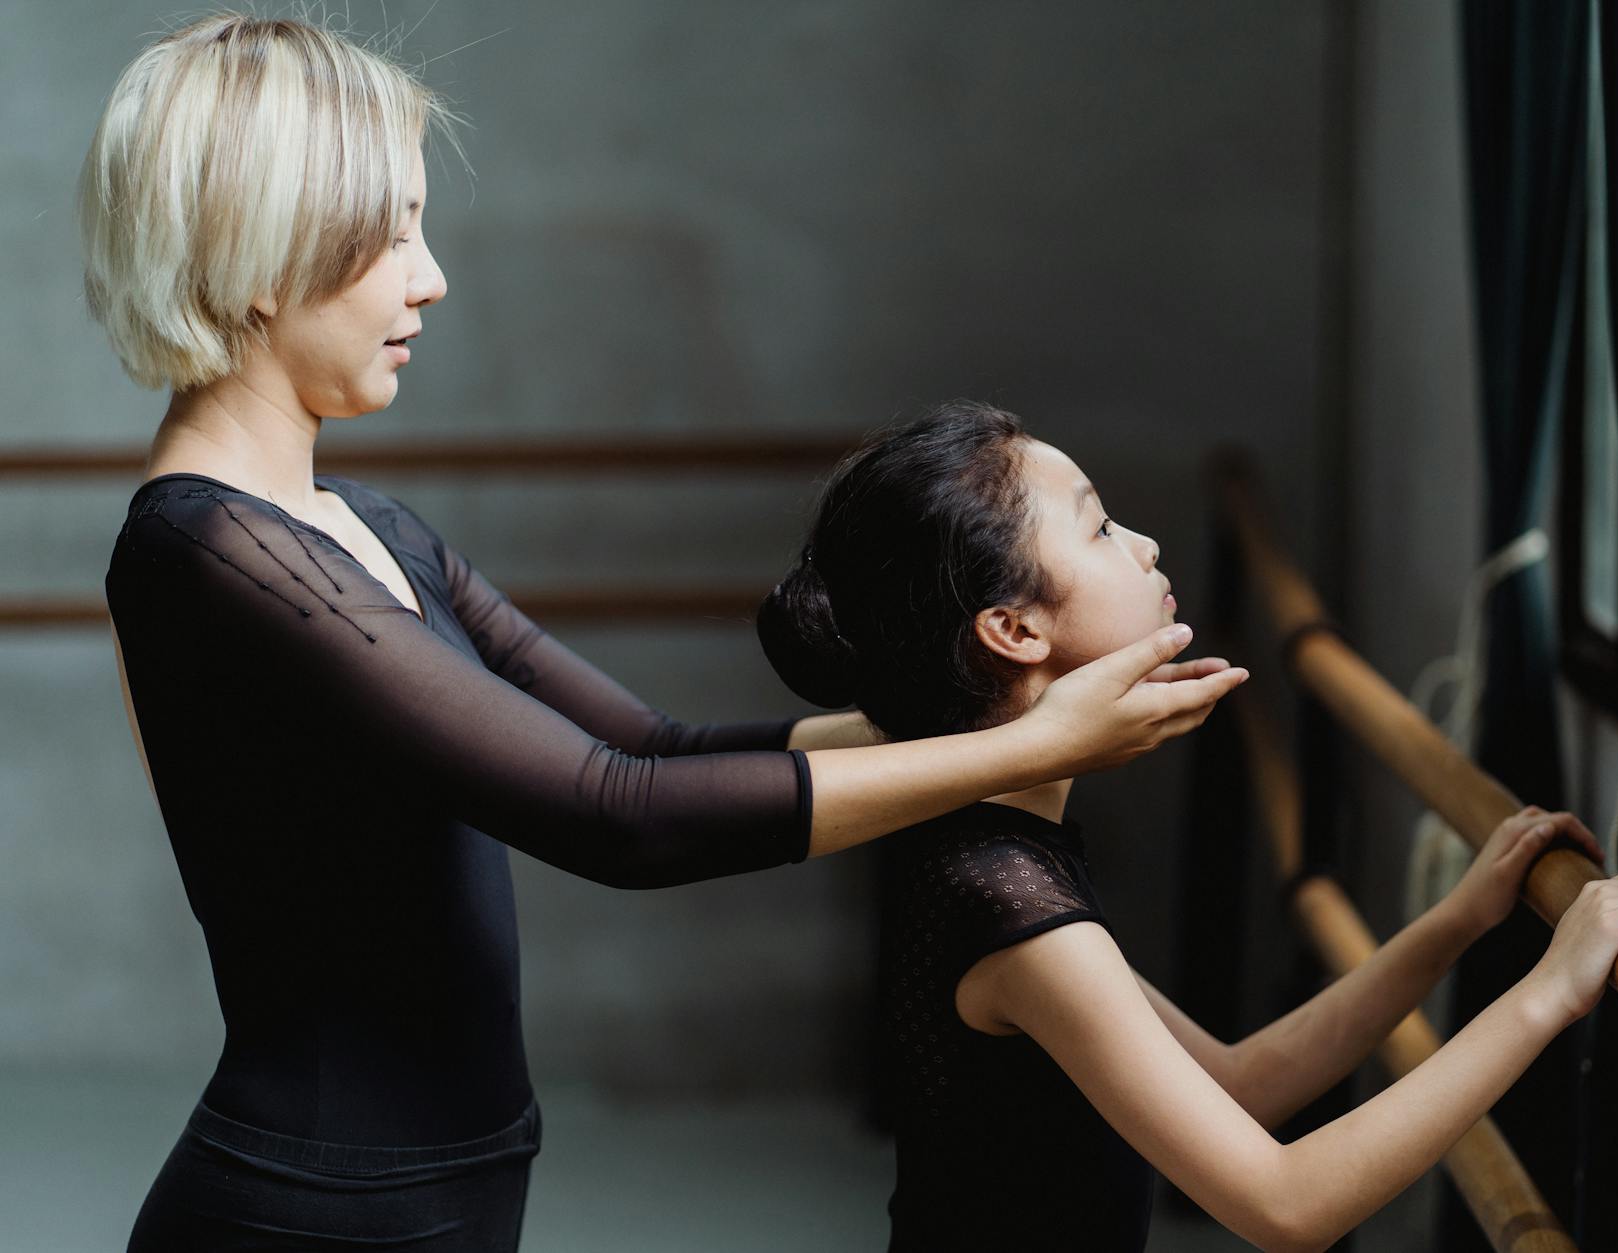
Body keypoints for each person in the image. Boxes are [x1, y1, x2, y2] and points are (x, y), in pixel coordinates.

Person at [79, 17, 1248, 1251]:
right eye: (390, 233)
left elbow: (656, 740)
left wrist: (1005, 704)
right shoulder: (206, 554)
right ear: (260, 255)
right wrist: (1024, 746)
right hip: (313, 1211)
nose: (428, 276)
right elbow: (613, 814)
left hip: (438, 1189)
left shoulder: (361, 526)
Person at [756, 402, 1618, 1253]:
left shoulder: (981, 845)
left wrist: (1461, 919)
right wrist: (1555, 987)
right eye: (1099, 526)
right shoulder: (1008, 900)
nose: (1148, 544)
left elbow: (1238, 1081)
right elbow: (1287, 1206)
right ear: (1015, 631)